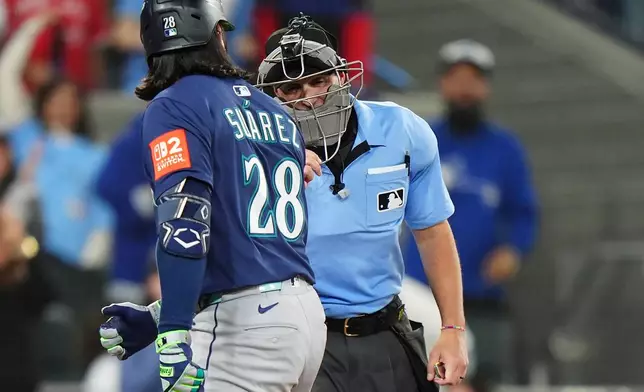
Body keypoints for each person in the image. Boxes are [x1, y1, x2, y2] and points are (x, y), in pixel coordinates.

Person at [98, 2, 326, 392]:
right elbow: (249, 248)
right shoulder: (275, 110)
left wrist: (172, 330)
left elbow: (184, 220)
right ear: (218, 34)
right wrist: (159, 316)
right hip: (302, 315)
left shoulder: (174, 105)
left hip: (244, 329)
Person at [255, 16, 468, 391]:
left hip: (384, 328)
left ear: (341, 73)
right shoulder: (254, 152)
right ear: (273, 95)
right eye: (291, 87)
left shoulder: (402, 131)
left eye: (318, 79)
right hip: (301, 337)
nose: (309, 96)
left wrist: (452, 328)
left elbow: (433, 232)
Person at [403, 39, 539, 383]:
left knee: (479, 379)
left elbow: (523, 211)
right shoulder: (423, 139)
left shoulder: (504, 148)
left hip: (481, 294)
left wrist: (512, 250)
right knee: (417, 377)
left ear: (485, 87)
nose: (464, 88)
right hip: (421, 294)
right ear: (442, 84)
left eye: (473, 80)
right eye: (456, 78)